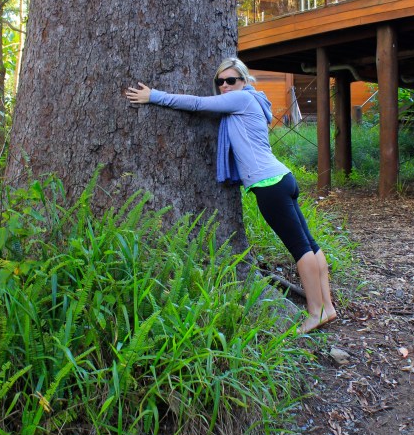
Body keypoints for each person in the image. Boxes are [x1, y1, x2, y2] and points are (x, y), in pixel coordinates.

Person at [125, 57, 337, 334]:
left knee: (300, 248)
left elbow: (198, 105)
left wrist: (154, 96)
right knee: (310, 244)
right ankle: (327, 306)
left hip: (269, 184)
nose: (224, 86)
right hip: (282, 178)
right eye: (220, 82)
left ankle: (316, 311)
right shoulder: (254, 101)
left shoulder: (242, 99)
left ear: (245, 81)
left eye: (231, 80)